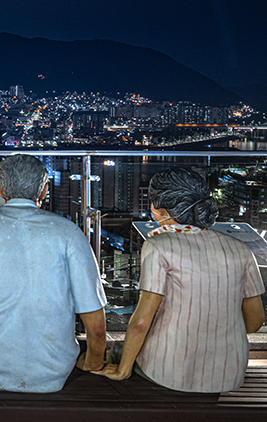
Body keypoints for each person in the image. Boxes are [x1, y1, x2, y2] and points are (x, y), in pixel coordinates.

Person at [0, 154, 107, 393]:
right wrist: (93, 364)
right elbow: (97, 326)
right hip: (52, 373)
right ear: (44, 191)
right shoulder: (69, 233)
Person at [94, 168, 265, 392]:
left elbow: (141, 322)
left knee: (117, 350)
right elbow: (255, 322)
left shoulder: (159, 245)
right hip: (229, 373)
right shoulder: (240, 249)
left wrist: (122, 370)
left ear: (159, 207)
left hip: (168, 371)